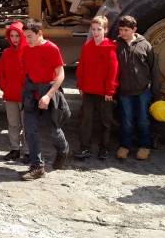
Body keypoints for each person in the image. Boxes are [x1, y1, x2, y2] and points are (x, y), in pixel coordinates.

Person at [20, 20, 71, 181]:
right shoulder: (27, 50)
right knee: (30, 129)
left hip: (48, 90)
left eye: (30, 36)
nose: (27, 40)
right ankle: (37, 166)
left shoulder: (51, 48)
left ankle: (63, 151)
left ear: (40, 33)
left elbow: (61, 75)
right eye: (25, 37)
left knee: (52, 129)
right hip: (31, 92)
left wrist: (48, 95)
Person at [75, 15, 118, 161]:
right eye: (93, 29)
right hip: (88, 90)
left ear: (105, 30)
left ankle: (104, 148)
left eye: (99, 29)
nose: (95, 32)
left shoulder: (110, 48)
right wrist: (80, 84)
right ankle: (84, 147)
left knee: (105, 121)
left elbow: (113, 71)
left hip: (104, 93)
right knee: (86, 120)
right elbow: (81, 67)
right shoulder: (87, 46)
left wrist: (109, 91)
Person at [115, 15, 156, 161]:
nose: (123, 33)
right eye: (121, 30)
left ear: (134, 30)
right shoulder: (117, 45)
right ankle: (125, 145)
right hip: (125, 91)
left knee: (143, 119)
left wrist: (153, 89)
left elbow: (152, 67)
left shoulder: (145, 45)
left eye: (126, 30)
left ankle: (145, 146)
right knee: (126, 119)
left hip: (143, 90)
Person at [0, 20, 29, 162]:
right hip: (10, 95)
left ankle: (28, 151)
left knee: (27, 125)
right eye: (12, 36)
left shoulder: (29, 52)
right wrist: (4, 86)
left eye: (17, 36)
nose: (14, 39)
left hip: (25, 96)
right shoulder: (6, 53)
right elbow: (1, 73)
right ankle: (15, 149)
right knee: (13, 124)